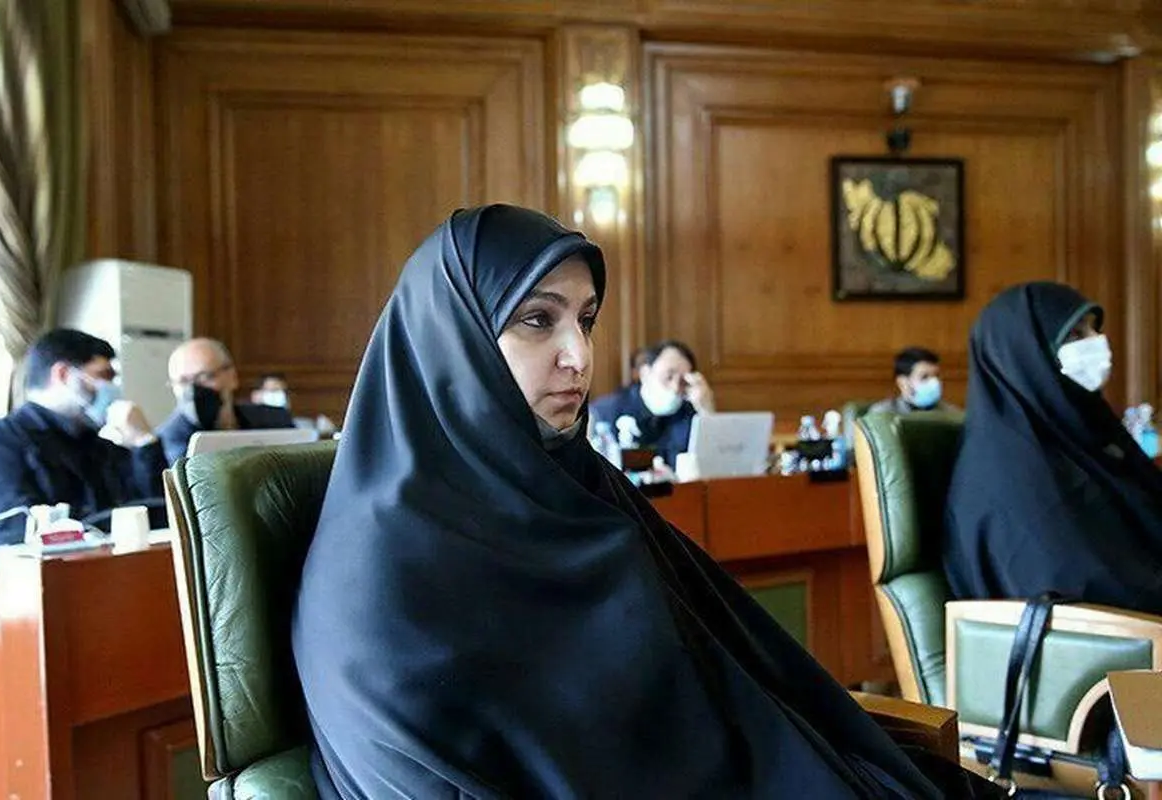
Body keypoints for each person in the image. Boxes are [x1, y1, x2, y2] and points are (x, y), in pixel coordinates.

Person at [292, 204, 992, 798]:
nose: (578, 355)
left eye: (586, 319)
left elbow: (737, 680)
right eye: (537, 319)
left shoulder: (582, 488)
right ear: (451, 337)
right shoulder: (378, 572)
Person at [944, 282, 1162, 611]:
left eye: (1094, 329)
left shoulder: (1080, 438)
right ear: (1023, 355)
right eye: (1075, 335)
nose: (1096, 342)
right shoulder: (1011, 473)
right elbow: (1093, 593)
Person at [0, 329, 165, 553]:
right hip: (8, 573)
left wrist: (145, 443)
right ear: (63, 374)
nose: (110, 388)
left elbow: (161, 515)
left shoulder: (98, 445)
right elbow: (16, 532)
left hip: (103, 566)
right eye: (102, 376)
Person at [155, 338, 295, 464]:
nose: (193, 389)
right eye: (183, 381)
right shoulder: (165, 442)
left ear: (232, 377)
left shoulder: (274, 420)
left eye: (205, 377)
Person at [589, 339, 714, 467]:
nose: (676, 387)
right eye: (668, 377)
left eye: (683, 382)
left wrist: (706, 411)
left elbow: (712, 464)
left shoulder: (690, 414)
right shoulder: (605, 412)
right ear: (645, 373)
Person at [867, 347, 958, 416]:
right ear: (902, 383)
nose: (934, 382)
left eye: (937, 376)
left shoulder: (953, 415)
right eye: (924, 377)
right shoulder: (882, 414)